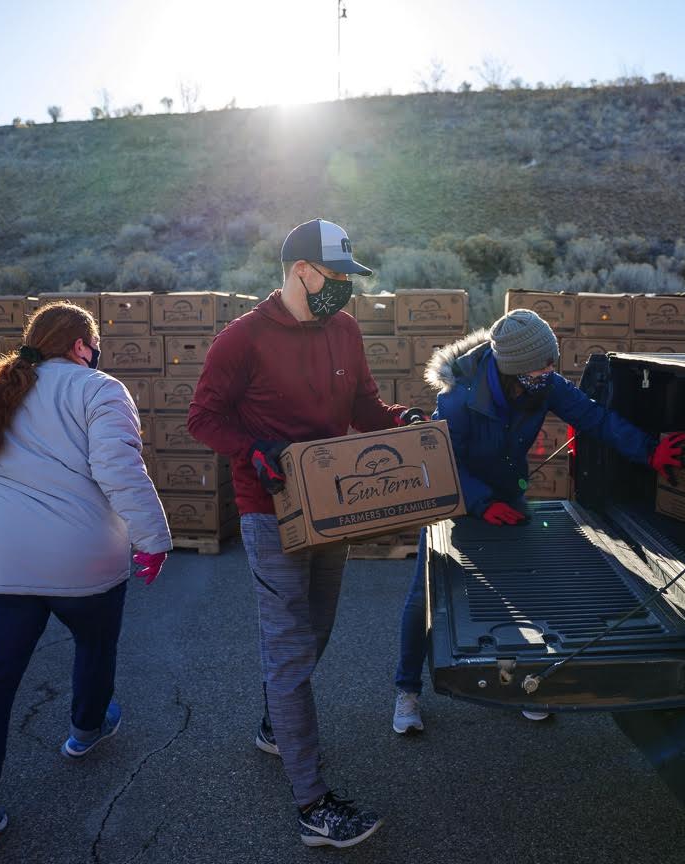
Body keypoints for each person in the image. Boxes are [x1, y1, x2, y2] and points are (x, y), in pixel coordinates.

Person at [187, 218, 420, 849]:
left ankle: (275, 726)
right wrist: (251, 449)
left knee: (318, 628)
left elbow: (365, 405)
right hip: (268, 509)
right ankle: (312, 802)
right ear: (301, 272)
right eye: (338, 276)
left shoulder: (343, 329)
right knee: (289, 645)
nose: (345, 288)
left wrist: (401, 420)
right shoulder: (243, 340)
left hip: (331, 503)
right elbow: (202, 416)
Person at [391, 308, 685, 733]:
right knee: (425, 595)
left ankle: (523, 687)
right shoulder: (459, 398)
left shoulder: (543, 385)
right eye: (543, 364)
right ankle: (407, 693)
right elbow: (443, 460)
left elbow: (593, 417)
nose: (552, 371)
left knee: (517, 589)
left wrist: (648, 450)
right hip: (458, 498)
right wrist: (479, 503)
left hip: (509, 495)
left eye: (553, 361)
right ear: (514, 367)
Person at [0, 302, 170, 855]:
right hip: (83, 556)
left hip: (3, 561)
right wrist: (154, 539)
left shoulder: (5, 388)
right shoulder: (99, 389)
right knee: (95, 645)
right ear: (80, 344)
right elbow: (120, 470)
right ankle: (84, 731)